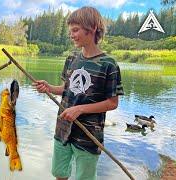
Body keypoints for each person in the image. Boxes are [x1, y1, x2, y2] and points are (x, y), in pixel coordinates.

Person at [33, 6, 124, 180]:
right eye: (70, 31)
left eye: (76, 30)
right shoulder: (71, 59)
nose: (71, 35)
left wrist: (80, 109)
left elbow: (112, 103)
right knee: (59, 173)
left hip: (88, 135)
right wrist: (50, 88)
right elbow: (67, 90)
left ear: (93, 28)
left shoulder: (108, 64)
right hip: (63, 129)